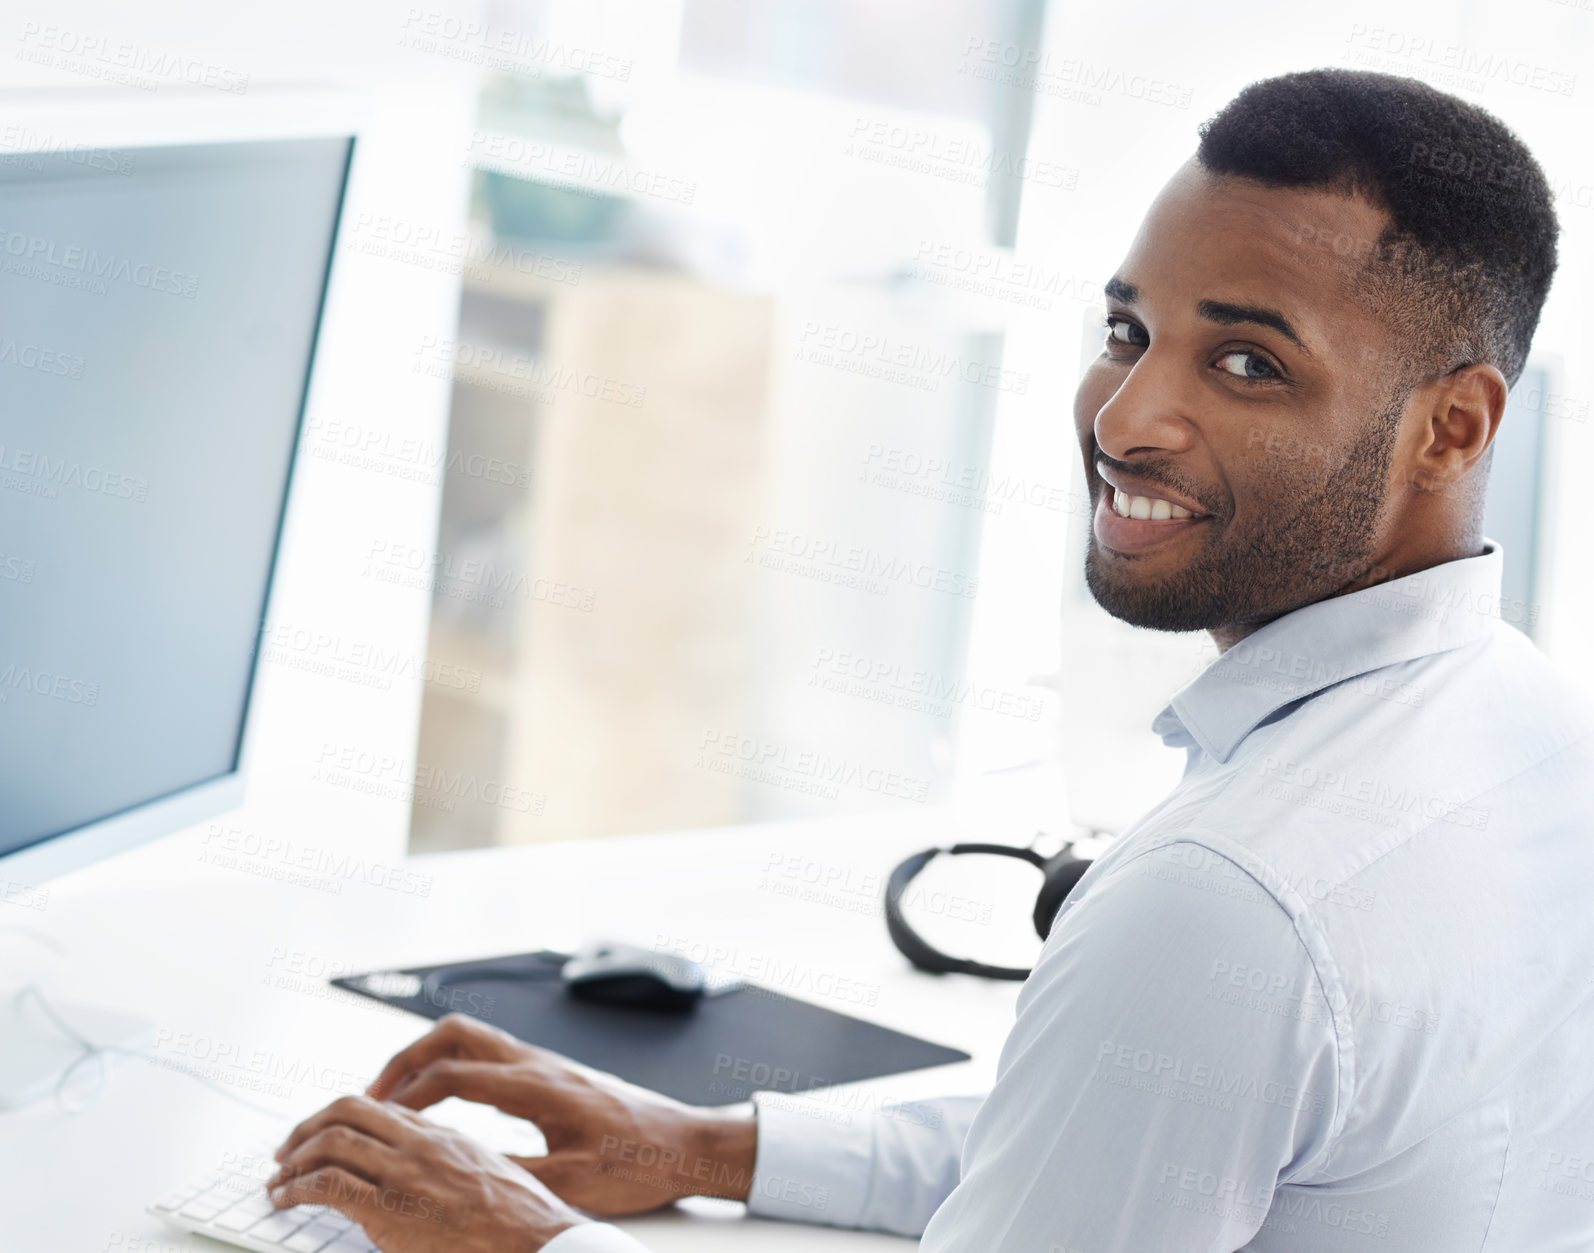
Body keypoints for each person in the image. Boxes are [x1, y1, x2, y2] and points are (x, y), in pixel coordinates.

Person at [264, 67, 1594, 1250]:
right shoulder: (1534, 730)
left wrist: (523, 1238)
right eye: (1127, 332)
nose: (1126, 418)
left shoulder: (1227, 900)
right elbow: (1130, 1136)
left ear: (1449, 428)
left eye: (1245, 361)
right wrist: (713, 1146)